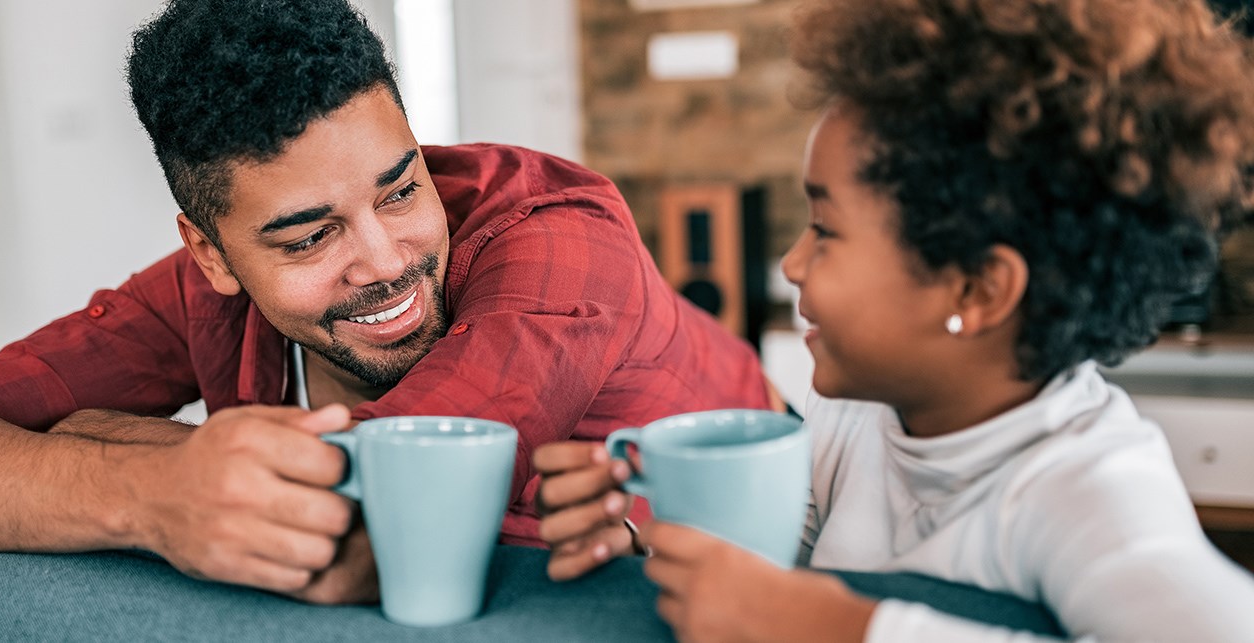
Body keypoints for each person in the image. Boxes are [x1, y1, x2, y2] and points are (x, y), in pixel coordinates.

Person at [0, 0, 774, 605]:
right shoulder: (198, 292)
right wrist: (151, 494)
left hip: (765, 551)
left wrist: (91, 440)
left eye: (401, 189)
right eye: (309, 235)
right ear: (212, 252)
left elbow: (374, 542)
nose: (386, 260)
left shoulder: (561, 241)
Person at [533, 0, 1254, 639]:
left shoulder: (1090, 489)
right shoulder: (857, 415)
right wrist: (643, 540)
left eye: (825, 227)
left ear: (975, 289)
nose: (790, 261)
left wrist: (836, 626)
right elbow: (777, 556)